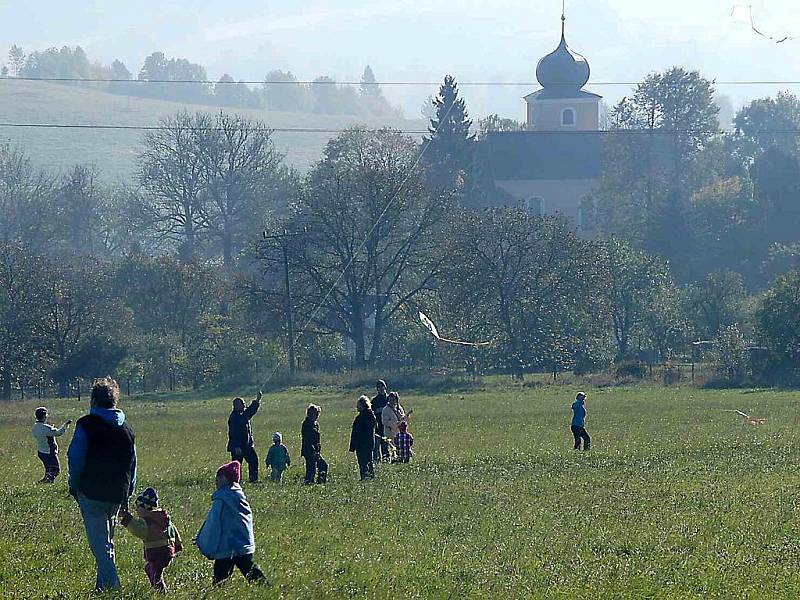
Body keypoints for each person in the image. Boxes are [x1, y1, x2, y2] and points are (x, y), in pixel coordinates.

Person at [67, 377, 137, 593]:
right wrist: (129, 491)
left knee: (100, 546)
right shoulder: (127, 429)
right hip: (118, 493)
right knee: (107, 542)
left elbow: (75, 457)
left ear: (93, 400)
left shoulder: (86, 424)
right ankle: (102, 587)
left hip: (92, 491)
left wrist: (74, 485)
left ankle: (113, 589)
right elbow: (133, 464)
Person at [195, 461, 268, 586]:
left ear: (225, 479)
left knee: (220, 576)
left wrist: (202, 537)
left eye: (218, 478)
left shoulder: (221, 500)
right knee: (250, 570)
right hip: (243, 544)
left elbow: (213, 523)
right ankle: (266, 587)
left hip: (226, 546)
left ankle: (218, 593)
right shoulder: (240, 497)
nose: (216, 481)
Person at [118, 487, 183, 593]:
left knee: (154, 573)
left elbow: (138, 530)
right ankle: (160, 588)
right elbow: (173, 531)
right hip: (168, 552)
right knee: (151, 569)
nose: (137, 511)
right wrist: (178, 545)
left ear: (144, 509)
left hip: (156, 553)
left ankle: (161, 591)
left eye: (138, 508)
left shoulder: (148, 522)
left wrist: (126, 517)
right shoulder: (164, 519)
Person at [227, 391, 262, 484]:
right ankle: (235, 482)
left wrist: (257, 400)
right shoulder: (233, 418)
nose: (244, 405)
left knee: (253, 460)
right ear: (236, 405)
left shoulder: (243, 414)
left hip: (247, 446)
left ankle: (253, 480)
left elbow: (251, 410)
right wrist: (236, 447)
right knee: (236, 465)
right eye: (242, 404)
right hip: (238, 447)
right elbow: (233, 434)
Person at [31, 407, 71, 483]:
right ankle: (43, 483)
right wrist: (66, 425)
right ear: (44, 416)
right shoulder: (46, 428)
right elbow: (58, 433)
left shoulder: (35, 427)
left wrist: (50, 428)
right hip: (49, 452)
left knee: (49, 470)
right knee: (55, 470)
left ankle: (47, 484)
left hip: (41, 452)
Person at [349, 395, 376, 480]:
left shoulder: (360, 418)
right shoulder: (371, 416)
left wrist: (352, 446)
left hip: (361, 444)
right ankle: (371, 476)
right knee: (369, 461)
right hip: (370, 443)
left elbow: (355, 433)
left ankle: (364, 477)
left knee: (362, 462)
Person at [301, 404, 327, 484]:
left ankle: (319, 481)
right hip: (309, 450)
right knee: (311, 468)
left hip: (315, 450)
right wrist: (313, 450)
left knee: (322, 465)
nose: (315, 416)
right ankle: (309, 482)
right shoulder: (306, 424)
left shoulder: (315, 424)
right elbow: (307, 439)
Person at [372, 380, 389, 462]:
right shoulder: (374, 401)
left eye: (382, 386)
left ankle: (387, 460)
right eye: (378, 387)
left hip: (388, 426)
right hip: (378, 426)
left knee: (386, 445)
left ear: (385, 387)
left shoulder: (390, 398)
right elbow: (371, 413)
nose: (381, 388)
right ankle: (376, 462)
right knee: (376, 447)